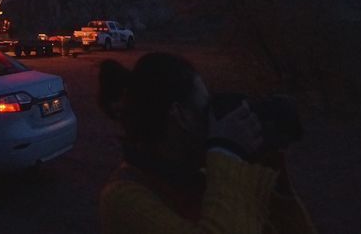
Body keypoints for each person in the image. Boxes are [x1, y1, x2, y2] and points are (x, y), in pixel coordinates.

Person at [98, 53, 317, 234]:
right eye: (205, 109)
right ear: (180, 116)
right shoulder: (123, 199)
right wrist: (228, 151)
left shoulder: (202, 174)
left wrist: (270, 180)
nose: (212, 121)